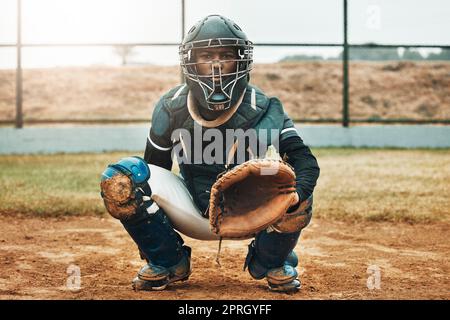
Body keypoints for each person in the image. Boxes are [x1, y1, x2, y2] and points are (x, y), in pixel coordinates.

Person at [100, 14, 320, 293]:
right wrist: (152, 227)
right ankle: (168, 259)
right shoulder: (172, 107)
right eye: (206, 56)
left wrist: (293, 197)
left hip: (254, 212)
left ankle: (272, 258)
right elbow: (155, 172)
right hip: (193, 210)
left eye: (225, 55)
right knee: (123, 180)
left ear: (241, 60)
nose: (216, 65)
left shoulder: (264, 108)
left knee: (298, 186)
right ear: (191, 62)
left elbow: (306, 163)